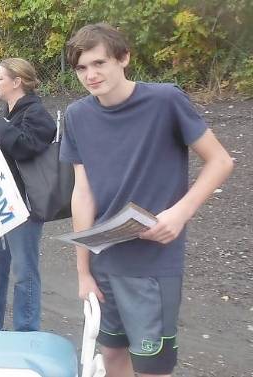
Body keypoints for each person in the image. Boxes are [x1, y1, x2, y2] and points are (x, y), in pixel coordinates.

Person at [60, 23, 233, 377]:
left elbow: (220, 161)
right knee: (111, 355)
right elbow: (83, 192)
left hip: (155, 263)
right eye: (81, 68)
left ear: (124, 58)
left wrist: (180, 213)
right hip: (104, 261)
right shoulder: (77, 116)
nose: (90, 75)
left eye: (99, 63)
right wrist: (82, 271)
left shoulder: (165, 100)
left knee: (152, 368)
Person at [0, 58, 57, 332]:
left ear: (17, 81)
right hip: (1, 205)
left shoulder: (36, 114)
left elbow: (26, 147)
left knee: (24, 274)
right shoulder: (7, 114)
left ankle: (25, 331)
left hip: (24, 207)